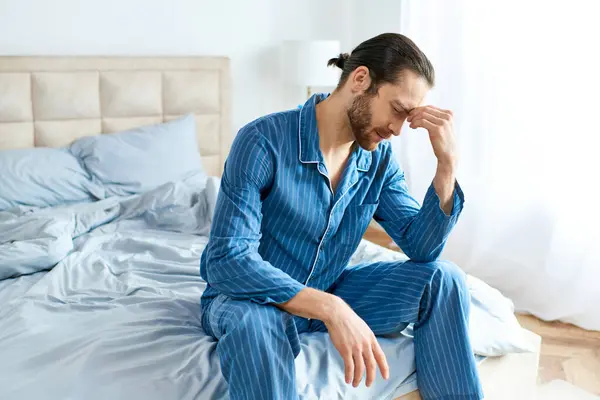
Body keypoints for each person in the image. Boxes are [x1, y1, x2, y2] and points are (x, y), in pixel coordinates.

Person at [199, 32, 483, 400]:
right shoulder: (262, 140)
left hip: (330, 287)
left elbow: (422, 248)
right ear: (360, 79)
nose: (398, 130)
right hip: (249, 298)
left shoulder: (378, 159)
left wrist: (447, 165)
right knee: (255, 324)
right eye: (397, 109)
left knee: (443, 279)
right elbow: (227, 261)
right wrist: (331, 309)